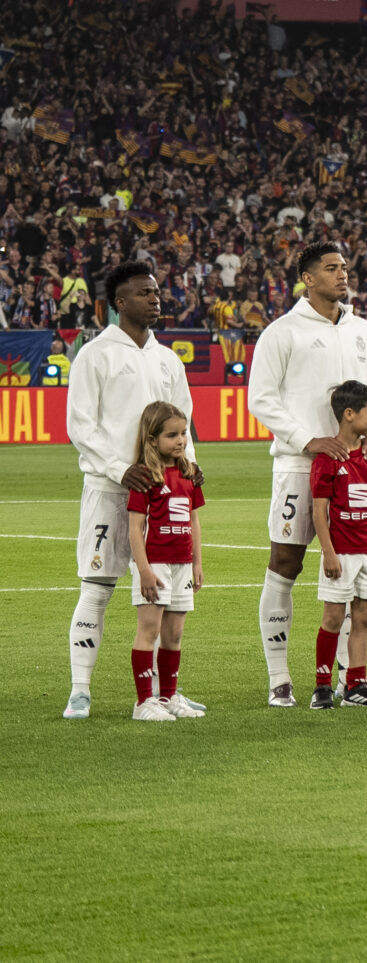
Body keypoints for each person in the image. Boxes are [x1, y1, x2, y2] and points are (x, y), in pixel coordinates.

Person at [244, 243, 367, 708]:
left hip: (356, 471)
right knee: (285, 564)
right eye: (330, 268)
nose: (341, 274)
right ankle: (279, 679)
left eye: (345, 267)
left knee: (353, 569)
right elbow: (261, 398)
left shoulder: (365, 333)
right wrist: (306, 439)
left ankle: (351, 681)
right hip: (297, 466)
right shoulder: (282, 332)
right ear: (307, 278)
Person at [63, 259, 190, 722]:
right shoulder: (96, 355)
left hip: (160, 498)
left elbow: (184, 425)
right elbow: (81, 426)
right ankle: (80, 690)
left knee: (169, 598)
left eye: (156, 292)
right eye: (143, 293)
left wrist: (188, 471)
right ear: (119, 303)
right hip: (108, 489)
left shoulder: (167, 359)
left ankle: (163, 694)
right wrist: (120, 469)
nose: (155, 299)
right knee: (97, 588)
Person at [309, 381, 367, 708]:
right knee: (333, 616)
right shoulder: (327, 459)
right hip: (341, 552)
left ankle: (356, 685)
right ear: (349, 414)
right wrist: (328, 553)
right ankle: (321, 687)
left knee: (365, 614)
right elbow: (319, 510)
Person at [123, 401, 204, 723]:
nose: (180, 440)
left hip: (182, 563)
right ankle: (144, 702)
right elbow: (134, 527)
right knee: (149, 630)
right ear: (152, 438)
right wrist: (143, 570)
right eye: (172, 435)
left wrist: (197, 562)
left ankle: (168, 696)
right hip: (154, 563)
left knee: (174, 635)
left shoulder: (189, 472)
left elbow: (194, 522)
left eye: (183, 433)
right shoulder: (145, 476)